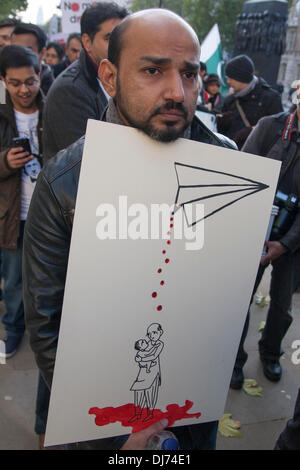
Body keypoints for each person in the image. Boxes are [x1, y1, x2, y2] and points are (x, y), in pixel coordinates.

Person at [23, 8, 236, 450]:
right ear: (110, 75)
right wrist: (104, 427)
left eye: (190, 74)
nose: (177, 91)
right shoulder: (66, 182)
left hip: (193, 416)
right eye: (153, 71)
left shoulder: (228, 166)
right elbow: (47, 324)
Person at [230, 89, 300, 389]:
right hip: (254, 229)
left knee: (282, 304)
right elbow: (242, 177)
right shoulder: (270, 127)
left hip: (293, 241)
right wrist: (252, 226)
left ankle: (271, 353)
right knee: (236, 299)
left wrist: (286, 243)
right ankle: (232, 361)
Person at [42, 2, 129, 161]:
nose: (121, 46)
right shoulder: (69, 91)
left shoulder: (126, 77)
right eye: (110, 38)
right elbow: (88, 161)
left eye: (125, 38)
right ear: (87, 42)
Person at [0, 45, 43, 358]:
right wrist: (5, 161)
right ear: (3, 81)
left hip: (51, 212)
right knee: (14, 280)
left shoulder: (55, 106)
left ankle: (48, 332)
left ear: (39, 75)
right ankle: (13, 330)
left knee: (50, 277)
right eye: (15, 83)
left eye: (30, 81)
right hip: (14, 213)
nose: (24, 89)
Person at [218, 54, 283, 149]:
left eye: (231, 77)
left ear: (241, 77)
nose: (228, 81)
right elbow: (222, 135)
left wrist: (253, 131)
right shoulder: (230, 100)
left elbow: (279, 131)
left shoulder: (271, 98)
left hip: (256, 156)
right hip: (230, 152)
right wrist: (220, 122)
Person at [130, 324, 164, 422]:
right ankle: (137, 414)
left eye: (154, 333)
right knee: (138, 392)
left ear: (160, 332)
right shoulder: (147, 343)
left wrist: (141, 358)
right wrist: (139, 358)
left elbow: (154, 356)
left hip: (153, 371)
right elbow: (140, 352)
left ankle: (150, 414)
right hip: (143, 372)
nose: (151, 336)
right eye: (149, 334)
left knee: (150, 394)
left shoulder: (159, 344)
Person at [11, 23, 54, 96]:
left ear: (43, 53)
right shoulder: (2, 85)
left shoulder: (55, 90)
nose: (19, 56)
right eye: (15, 50)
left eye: (27, 51)